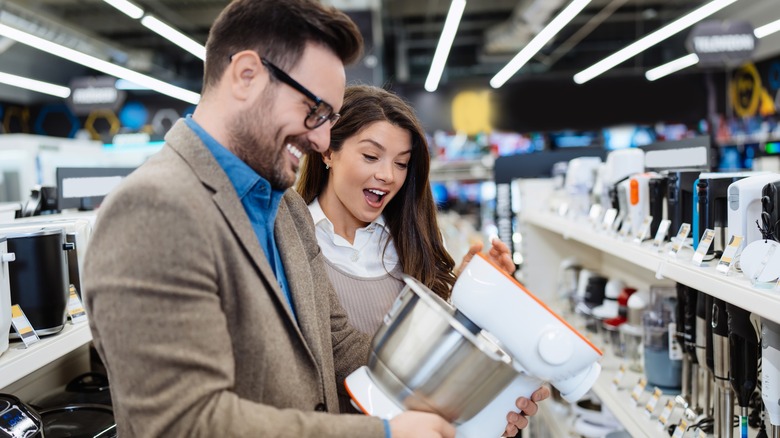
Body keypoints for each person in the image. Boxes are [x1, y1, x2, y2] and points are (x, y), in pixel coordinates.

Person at [84, 0, 547, 436]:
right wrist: (383, 433)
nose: (324, 140)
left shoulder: (282, 206)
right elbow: (184, 422)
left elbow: (340, 345)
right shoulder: (153, 208)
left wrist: (479, 391)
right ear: (246, 75)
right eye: (315, 111)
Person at [296, 85, 516, 335]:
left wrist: (466, 296)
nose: (388, 175)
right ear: (328, 153)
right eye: (370, 156)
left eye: (401, 163)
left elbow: (425, 351)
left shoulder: (411, 241)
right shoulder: (291, 240)